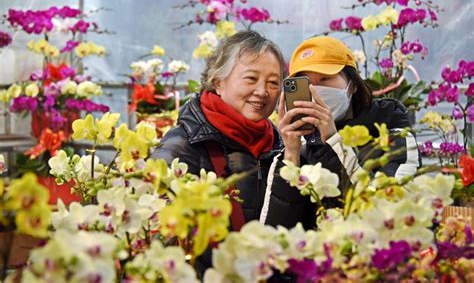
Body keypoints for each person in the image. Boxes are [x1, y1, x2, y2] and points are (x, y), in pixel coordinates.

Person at [155, 30, 316, 231]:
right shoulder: (183, 144)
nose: (262, 92)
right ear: (218, 82)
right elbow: (162, 227)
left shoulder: (280, 145)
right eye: (250, 78)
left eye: (273, 83)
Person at [277, 35, 420, 182]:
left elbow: (383, 199)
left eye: (325, 78)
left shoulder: (392, 131)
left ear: (353, 85)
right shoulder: (302, 141)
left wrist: (334, 141)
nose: (315, 90)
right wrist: (290, 156)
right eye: (306, 84)